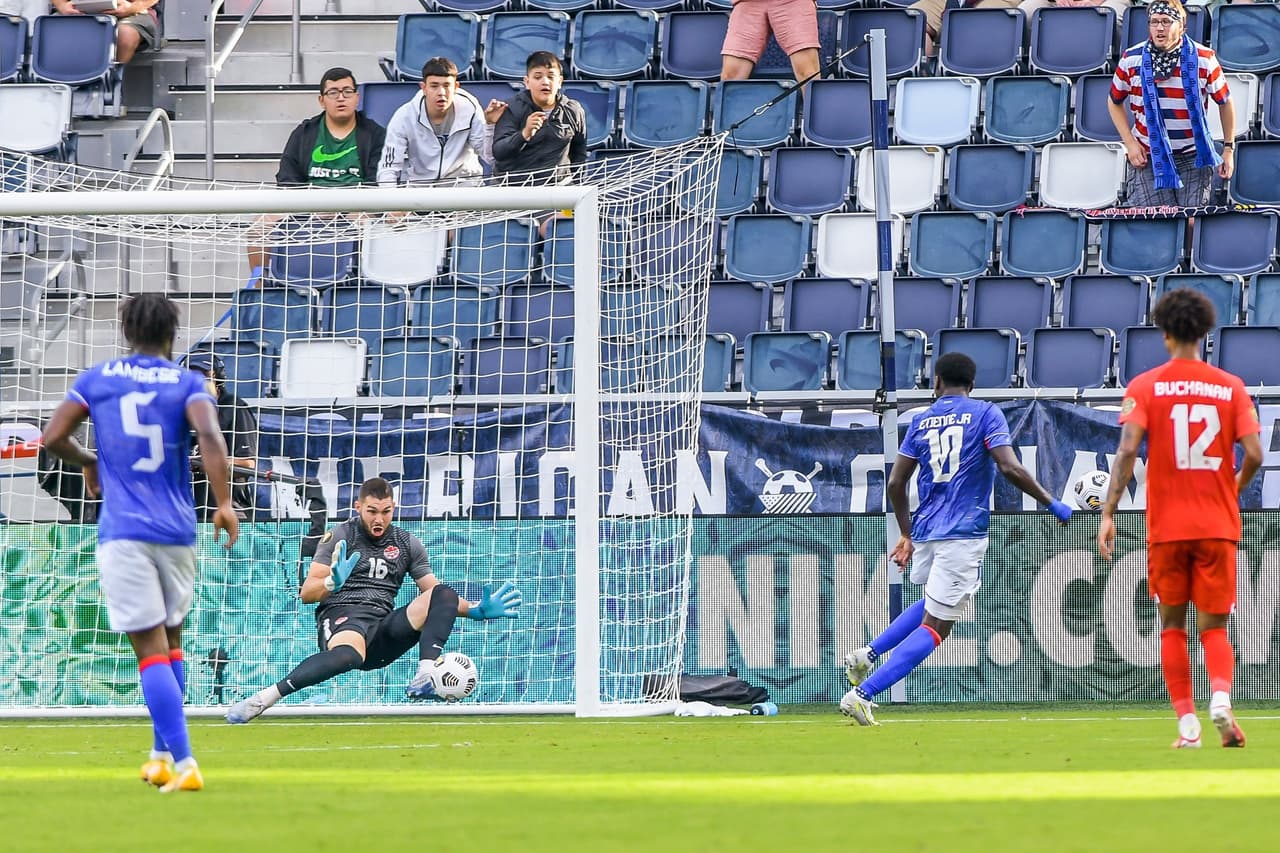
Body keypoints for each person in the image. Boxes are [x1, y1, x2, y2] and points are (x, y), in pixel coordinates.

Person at [41, 293, 239, 793]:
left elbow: (52, 437)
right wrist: (224, 502)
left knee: (149, 651)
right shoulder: (188, 382)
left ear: (126, 331)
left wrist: (89, 461)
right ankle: (159, 757)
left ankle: (188, 762)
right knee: (173, 643)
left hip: (125, 532)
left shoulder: (98, 379)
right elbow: (211, 438)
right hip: (177, 529)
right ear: (172, 334)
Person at [840, 352, 1073, 725]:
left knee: (932, 602)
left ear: (936, 382)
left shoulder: (922, 420)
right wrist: (1051, 502)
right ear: (972, 384)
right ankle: (863, 694)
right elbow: (1009, 466)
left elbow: (896, 482)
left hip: (928, 530)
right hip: (962, 533)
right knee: (938, 626)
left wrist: (906, 532)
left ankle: (867, 655)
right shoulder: (985, 414)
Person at [1098, 288, 1262, 748]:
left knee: (1172, 626)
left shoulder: (1145, 386)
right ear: (1206, 333)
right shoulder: (1230, 387)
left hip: (1167, 528)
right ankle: (1222, 701)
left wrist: (1108, 512)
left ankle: (1188, 725)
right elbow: (1254, 454)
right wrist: (1231, 489)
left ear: (1165, 334)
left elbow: (1128, 448)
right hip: (1217, 527)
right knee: (1214, 628)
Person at [225, 476, 522, 723]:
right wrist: (331, 581)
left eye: (386, 511)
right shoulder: (340, 536)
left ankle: (425, 674)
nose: (379, 519)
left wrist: (475, 610)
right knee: (349, 655)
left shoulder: (406, 543)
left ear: (394, 508)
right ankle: (263, 699)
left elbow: (435, 596)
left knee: (444, 592)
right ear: (358, 507)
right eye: (372, 511)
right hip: (344, 618)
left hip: (383, 628)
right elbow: (306, 593)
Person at [245, 67, 387, 272]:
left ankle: (359, 285)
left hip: (354, 208)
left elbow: (376, 180)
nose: (341, 98)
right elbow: (286, 176)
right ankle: (260, 288)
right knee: (260, 225)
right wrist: (311, 205)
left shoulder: (375, 134)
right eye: (333, 92)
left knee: (366, 224)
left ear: (357, 98)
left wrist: (341, 206)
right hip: (308, 206)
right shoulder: (304, 133)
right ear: (322, 100)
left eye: (347, 92)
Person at [1108, 0, 1233, 208]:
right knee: (1157, 222)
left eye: (1166, 22)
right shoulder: (1131, 59)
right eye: (1154, 22)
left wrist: (1228, 148)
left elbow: (1225, 102)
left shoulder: (1204, 59)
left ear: (1182, 26)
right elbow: (1113, 102)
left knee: (1193, 222)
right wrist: (1130, 143)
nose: (1159, 28)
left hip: (1194, 156)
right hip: (1149, 156)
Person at [377, 56, 507, 187]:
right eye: (434, 86)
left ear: (456, 86)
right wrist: (394, 203)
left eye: (447, 85)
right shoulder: (404, 116)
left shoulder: (470, 108)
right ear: (423, 87)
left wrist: (490, 125)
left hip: (466, 191)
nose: (441, 93)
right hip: (421, 194)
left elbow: (489, 157)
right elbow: (389, 168)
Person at [180, 350, 258, 520]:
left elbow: (247, 465)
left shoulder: (235, 408)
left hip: (228, 512)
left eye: (203, 375)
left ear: (218, 378)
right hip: (185, 514)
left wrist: (204, 462)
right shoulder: (178, 410)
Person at [491, 51, 587, 182]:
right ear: (527, 82)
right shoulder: (511, 108)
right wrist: (524, 134)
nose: (545, 82)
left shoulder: (573, 110)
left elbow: (579, 154)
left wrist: (577, 185)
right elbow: (499, 152)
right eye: (538, 77)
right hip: (514, 189)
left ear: (560, 81)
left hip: (557, 190)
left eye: (551, 77)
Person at [720, 0, 820, 86]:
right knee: (730, 76)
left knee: (807, 73)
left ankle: (816, 108)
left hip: (793, 2)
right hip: (748, 3)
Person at [51, 0, 161, 65]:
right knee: (52, 31)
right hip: (78, 9)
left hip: (132, 11)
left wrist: (133, 7)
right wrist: (62, 5)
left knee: (125, 34)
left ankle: (112, 83)